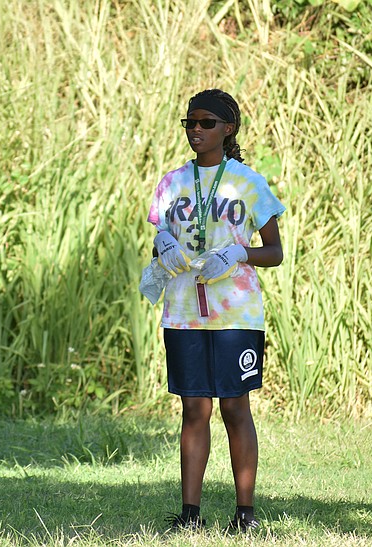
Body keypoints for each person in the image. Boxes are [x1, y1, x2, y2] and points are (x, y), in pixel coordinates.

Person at [146, 89, 285, 532]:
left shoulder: (248, 183)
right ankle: (190, 516)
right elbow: (162, 236)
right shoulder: (172, 183)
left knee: (234, 408)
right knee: (193, 409)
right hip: (184, 311)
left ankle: (245, 515)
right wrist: (161, 243)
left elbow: (275, 252)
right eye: (189, 123)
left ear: (228, 129)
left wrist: (239, 254)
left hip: (236, 315)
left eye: (206, 123)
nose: (196, 131)